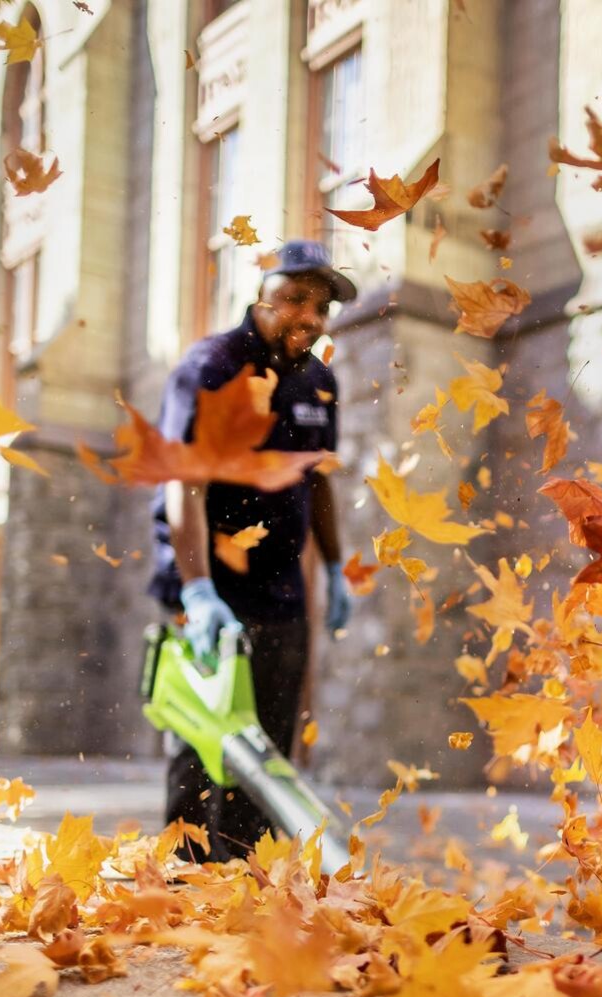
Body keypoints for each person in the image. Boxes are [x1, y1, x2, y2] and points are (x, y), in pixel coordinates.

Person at [148, 239, 355, 857]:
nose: (309, 318)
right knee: (204, 736)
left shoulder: (319, 382)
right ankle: (183, 879)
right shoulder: (211, 366)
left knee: (267, 742)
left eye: (320, 307)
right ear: (260, 298)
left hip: (280, 587)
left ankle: (246, 879)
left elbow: (317, 482)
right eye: (294, 299)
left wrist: (337, 566)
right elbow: (184, 481)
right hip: (207, 582)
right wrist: (198, 589)